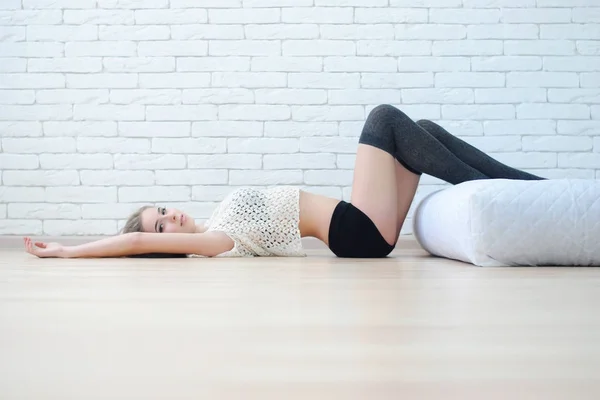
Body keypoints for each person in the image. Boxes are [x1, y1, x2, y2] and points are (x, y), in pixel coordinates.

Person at [23, 104, 545, 259]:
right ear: (170, 246)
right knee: (383, 119)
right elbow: (134, 240)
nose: (170, 217)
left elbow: (144, 235)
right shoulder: (213, 243)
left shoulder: (217, 220)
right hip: (358, 233)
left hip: (358, 224)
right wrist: (69, 252)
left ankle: (522, 186)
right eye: (163, 229)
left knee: (421, 132)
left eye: (162, 210)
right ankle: (520, 191)